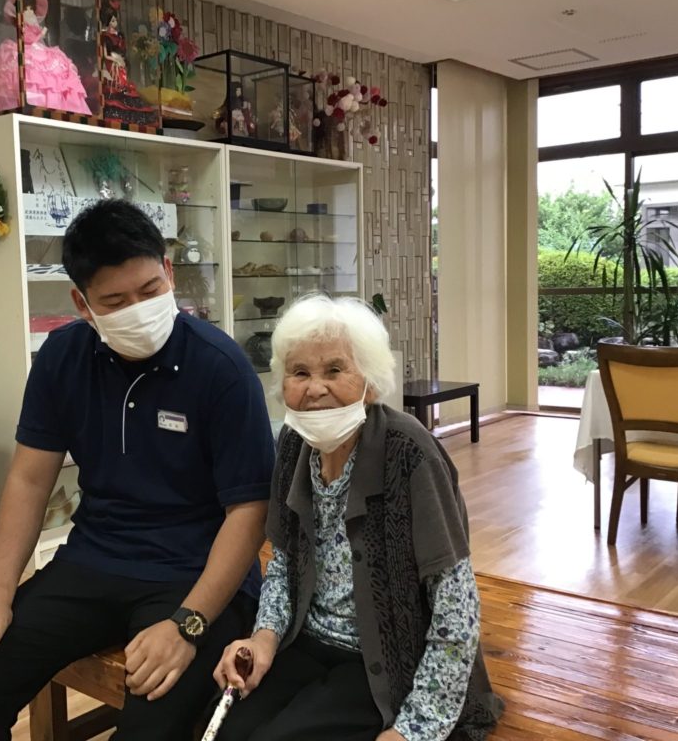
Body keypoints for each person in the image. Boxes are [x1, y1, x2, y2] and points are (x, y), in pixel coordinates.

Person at [0, 200, 275, 740]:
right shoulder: (62, 358)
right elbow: (29, 479)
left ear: (169, 272)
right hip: (94, 560)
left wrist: (188, 624)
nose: (138, 309)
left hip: (197, 573)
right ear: (82, 303)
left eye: (150, 290)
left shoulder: (221, 368)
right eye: (115, 301)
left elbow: (249, 512)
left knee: (151, 721)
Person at [213, 295, 503, 741]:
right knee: (226, 727)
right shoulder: (293, 444)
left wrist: (414, 730)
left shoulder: (410, 454)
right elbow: (284, 562)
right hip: (307, 641)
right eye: (300, 373)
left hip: (386, 660)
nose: (315, 389)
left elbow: (455, 605)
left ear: (369, 381)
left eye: (334, 370)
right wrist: (262, 639)